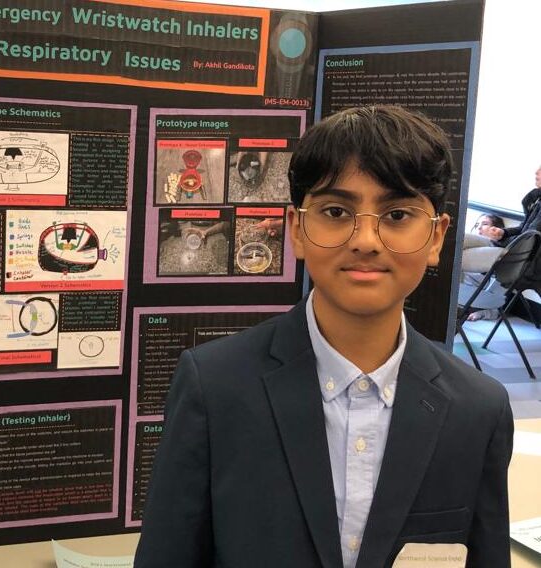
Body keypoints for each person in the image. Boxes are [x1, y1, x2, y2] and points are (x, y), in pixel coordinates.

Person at [135, 106, 512, 568]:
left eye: (397, 214)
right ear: (297, 228)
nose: (366, 240)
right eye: (336, 211)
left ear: (436, 237)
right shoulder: (216, 387)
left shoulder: (478, 409)